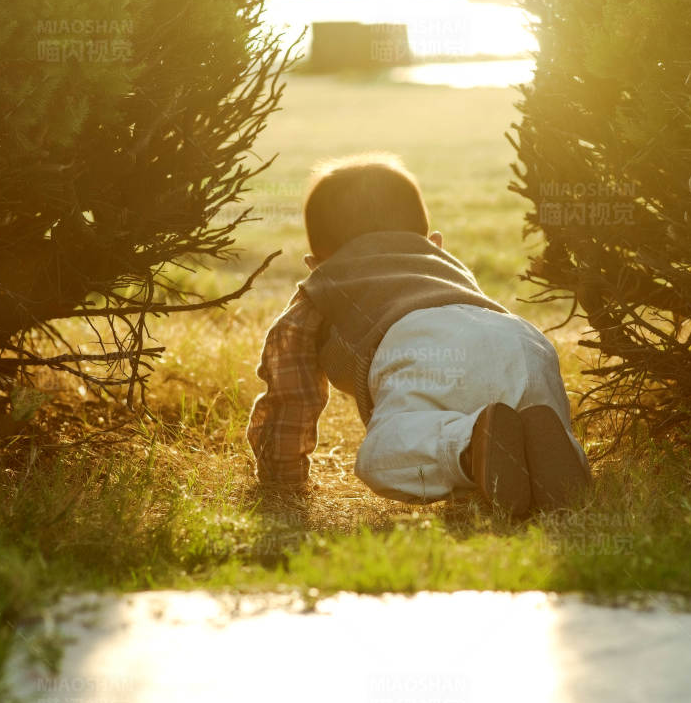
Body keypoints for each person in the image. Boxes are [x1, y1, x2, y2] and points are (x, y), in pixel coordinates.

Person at [246, 153, 591, 517]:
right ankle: (552, 461)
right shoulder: (445, 266)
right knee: (533, 418)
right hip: (521, 341)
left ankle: (470, 449)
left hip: (423, 348)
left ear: (316, 265)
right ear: (435, 243)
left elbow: (290, 389)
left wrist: (280, 475)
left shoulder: (325, 284)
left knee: (379, 458)